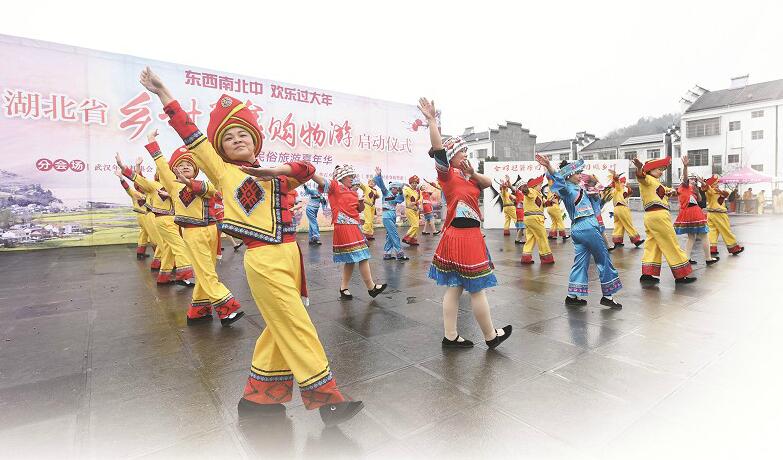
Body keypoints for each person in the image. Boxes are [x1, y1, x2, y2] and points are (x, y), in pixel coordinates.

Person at [140, 67, 363, 426]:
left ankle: (259, 399)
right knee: (296, 323)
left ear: (256, 140)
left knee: (279, 326)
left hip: (291, 256)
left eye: (244, 134)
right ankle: (328, 399)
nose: (238, 139)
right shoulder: (223, 173)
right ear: (220, 150)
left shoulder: (273, 174)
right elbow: (191, 134)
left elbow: (307, 170)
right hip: (263, 258)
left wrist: (276, 171)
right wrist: (165, 93)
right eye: (229, 138)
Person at [419, 97, 512, 350]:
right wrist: (432, 121)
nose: (466, 155)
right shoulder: (447, 174)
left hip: (463, 236)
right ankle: (491, 337)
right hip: (464, 237)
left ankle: (450, 337)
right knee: (477, 289)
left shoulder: (467, 176)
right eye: (463, 152)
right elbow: (438, 148)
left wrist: (472, 172)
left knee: (456, 286)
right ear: (452, 155)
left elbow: (488, 183)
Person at [142, 131, 245, 325]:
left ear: (196, 169)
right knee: (207, 273)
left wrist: (192, 184)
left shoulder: (204, 184)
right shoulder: (173, 186)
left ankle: (198, 309)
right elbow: (161, 163)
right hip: (193, 232)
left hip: (213, 231)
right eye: (180, 165)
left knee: (205, 271)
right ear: (174, 171)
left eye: (189, 164)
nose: (185, 167)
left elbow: (216, 190)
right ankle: (227, 308)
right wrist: (152, 141)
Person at [536, 156, 623, 308]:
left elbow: (596, 206)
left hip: (577, 228)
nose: (580, 175)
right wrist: (549, 166)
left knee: (581, 261)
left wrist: (598, 197)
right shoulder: (567, 189)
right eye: (577, 173)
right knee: (603, 258)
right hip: (587, 225)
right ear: (569, 175)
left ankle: (572, 296)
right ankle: (608, 296)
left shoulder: (580, 189)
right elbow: (558, 180)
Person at [116, 154, 195, 286]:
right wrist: (124, 168)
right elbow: (138, 181)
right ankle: (183, 275)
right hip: (163, 220)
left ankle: (163, 278)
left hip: (173, 221)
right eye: (164, 171)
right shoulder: (154, 185)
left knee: (168, 249)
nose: (166, 173)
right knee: (179, 246)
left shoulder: (176, 186)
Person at [312, 165, 387, 300]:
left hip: (354, 226)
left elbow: (359, 209)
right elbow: (321, 181)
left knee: (351, 259)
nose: (353, 179)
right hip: (344, 226)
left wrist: (361, 201)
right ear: (342, 177)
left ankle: (343, 287)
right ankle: (371, 287)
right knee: (362, 256)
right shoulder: (335, 186)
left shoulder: (353, 192)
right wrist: (308, 171)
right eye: (350, 176)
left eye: (353, 176)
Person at [632, 156, 696, 285]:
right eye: (659, 169)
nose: (661, 172)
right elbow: (641, 176)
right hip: (659, 215)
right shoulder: (647, 179)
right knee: (671, 242)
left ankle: (647, 274)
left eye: (662, 169)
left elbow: (667, 190)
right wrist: (639, 167)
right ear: (650, 169)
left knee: (653, 244)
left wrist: (671, 191)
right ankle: (680, 275)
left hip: (651, 216)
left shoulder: (655, 182)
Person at [673, 155, 719, 266]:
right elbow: (685, 178)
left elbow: (699, 199)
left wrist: (697, 189)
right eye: (691, 179)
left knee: (691, 237)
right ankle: (708, 258)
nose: (693, 180)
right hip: (693, 211)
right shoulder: (684, 185)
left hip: (687, 212)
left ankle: (687, 258)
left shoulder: (691, 189)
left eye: (694, 179)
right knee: (704, 235)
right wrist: (685, 166)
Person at [115, 169, 154, 260]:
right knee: (153, 236)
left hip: (140, 217)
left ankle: (140, 252)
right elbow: (129, 186)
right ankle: (158, 256)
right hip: (146, 216)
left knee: (143, 234)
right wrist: (121, 177)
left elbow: (128, 187)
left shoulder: (136, 193)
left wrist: (121, 178)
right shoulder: (147, 194)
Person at [704, 175, 745, 256]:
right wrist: (705, 184)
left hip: (711, 213)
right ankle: (734, 247)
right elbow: (708, 189)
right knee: (726, 230)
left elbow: (726, 194)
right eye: (715, 183)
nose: (717, 184)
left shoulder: (716, 191)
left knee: (712, 231)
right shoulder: (711, 191)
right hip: (719, 214)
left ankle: (712, 248)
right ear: (711, 185)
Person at [374, 167, 409, 261]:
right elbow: (381, 185)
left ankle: (387, 254)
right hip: (387, 216)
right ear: (392, 188)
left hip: (392, 216)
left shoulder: (396, 196)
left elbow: (401, 199)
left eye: (398, 189)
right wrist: (378, 175)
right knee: (394, 235)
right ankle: (400, 254)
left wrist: (401, 191)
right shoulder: (386, 193)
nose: (397, 190)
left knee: (390, 236)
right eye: (396, 189)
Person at [519, 175, 555, 264]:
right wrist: (525, 188)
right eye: (540, 185)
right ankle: (546, 258)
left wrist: (550, 201)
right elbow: (526, 191)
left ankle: (526, 257)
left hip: (529, 219)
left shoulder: (539, 195)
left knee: (530, 238)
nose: (541, 186)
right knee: (542, 236)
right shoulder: (532, 191)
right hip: (535, 218)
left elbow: (544, 204)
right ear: (534, 186)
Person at [607, 171, 644, 249]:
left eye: (624, 182)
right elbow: (618, 185)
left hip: (616, 209)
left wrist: (626, 186)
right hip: (622, 208)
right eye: (623, 182)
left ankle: (617, 242)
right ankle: (636, 240)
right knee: (628, 224)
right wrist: (616, 179)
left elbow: (629, 193)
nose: (623, 184)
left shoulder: (617, 190)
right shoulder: (619, 188)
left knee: (618, 225)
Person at [302, 181, 327, 245]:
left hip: (315, 210)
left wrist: (324, 210)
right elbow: (308, 190)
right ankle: (316, 237)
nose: (322, 189)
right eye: (321, 187)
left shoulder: (321, 196)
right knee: (314, 223)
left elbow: (324, 203)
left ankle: (311, 239)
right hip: (310, 209)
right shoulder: (313, 191)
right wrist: (305, 186)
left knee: (311, 224)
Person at [402, 176, 422, 245]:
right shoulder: (407, 189)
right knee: (415, 225)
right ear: (410, 183)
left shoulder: (416, 192)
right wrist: (403, 188)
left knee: (416, 226)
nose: (414, 184)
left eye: (416, 183)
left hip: (416, 211)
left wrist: (418, 202)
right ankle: (407, 238)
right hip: (410, 210)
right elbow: (403, 195)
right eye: (413, 183)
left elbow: (419, 199)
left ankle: (413, 240)